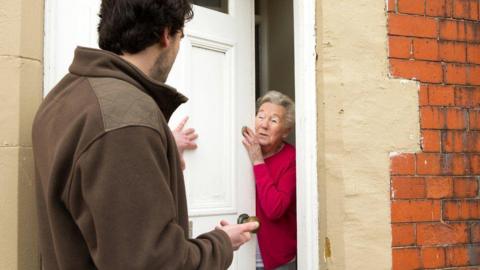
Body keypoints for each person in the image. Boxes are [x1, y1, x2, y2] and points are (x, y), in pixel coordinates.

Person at [31, 0, 258, 269]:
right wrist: (221, 242)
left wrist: (160, 147)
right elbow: (155, 262)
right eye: (180, 36)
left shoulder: (64, 97)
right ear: (166, 34)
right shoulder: (127, 120)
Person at [242, 91, 297, 270]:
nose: (264, 125)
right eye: (261, 116)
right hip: (240, 252)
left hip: (275, 258)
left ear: (285, 131)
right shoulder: (240, 149)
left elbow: (275, 209)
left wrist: (258, 161)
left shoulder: (291, 159)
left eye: (273, 121)